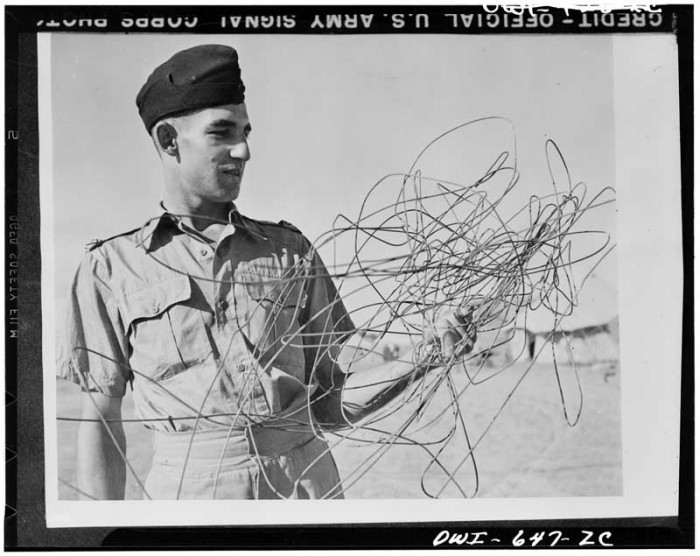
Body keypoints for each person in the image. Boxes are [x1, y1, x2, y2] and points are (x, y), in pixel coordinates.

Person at [57, 44, 476, 501]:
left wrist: (428, 353)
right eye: (221, 132)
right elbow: (101, 420)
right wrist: (104, 532)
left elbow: (330, 405)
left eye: (245, 132)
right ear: (168, 140)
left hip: (306, 493)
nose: (243, 150)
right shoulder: (110, 269)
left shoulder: (290, 252)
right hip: (188, 505)